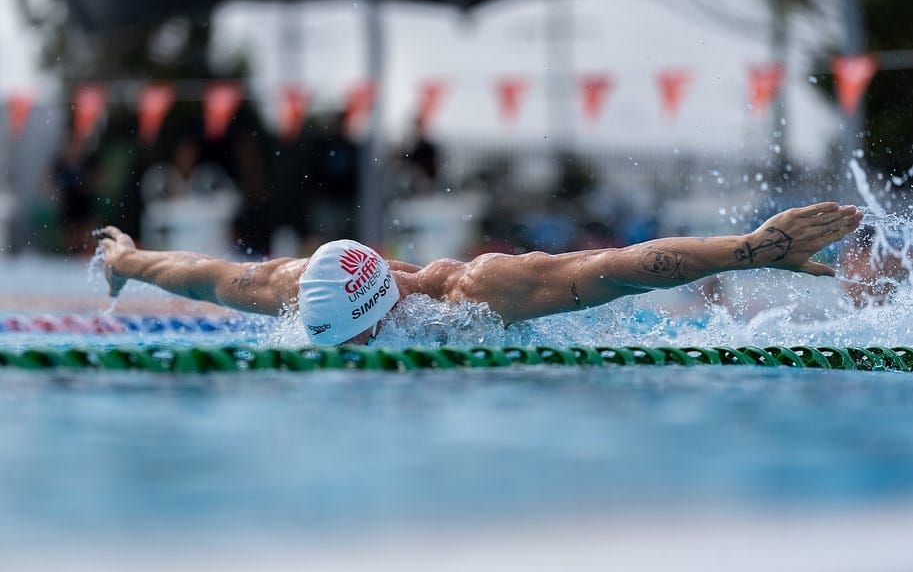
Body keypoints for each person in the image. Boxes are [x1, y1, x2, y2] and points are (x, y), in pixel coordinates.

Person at [95, 202, 863, 346]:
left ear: (383, 306)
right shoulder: (295, 286)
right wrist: (127, 260)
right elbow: (201, 273)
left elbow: (619, 267)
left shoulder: (482, 291)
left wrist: (750, 249)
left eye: (363, 340)